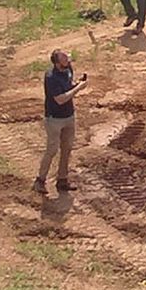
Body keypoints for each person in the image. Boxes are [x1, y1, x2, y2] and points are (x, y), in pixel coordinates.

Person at [34, 49, 87, 196]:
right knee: (52, 149)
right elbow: (60, 99)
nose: (67, 58)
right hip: (54, 119)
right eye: (64, 58)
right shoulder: (51, 77)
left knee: (67, 149)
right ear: (57, 63)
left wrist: (77, 83)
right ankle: (40, 180)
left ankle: (62, 180)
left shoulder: (68, 69)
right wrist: (79, 88)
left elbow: (68, 86)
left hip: (69, 116)